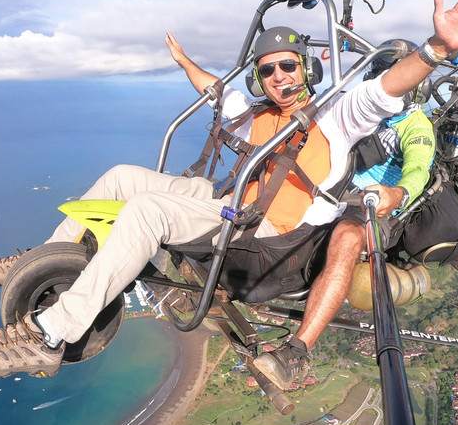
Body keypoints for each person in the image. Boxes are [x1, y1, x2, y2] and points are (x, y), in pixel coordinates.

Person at [0, 0, 458, 384]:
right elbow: (216, 90)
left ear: (306, 69)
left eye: (288, 65)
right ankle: (41, 260)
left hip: (266, 241)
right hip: (233, 202)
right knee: (122, 177)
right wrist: (182, 60)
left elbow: (384, 91)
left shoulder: (336, 117)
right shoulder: (257, 111)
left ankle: (51, 334)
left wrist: (437, 50)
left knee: (148, 214)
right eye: (268, 70)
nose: (279, 76)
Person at [166, 36, 437, 389]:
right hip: (332, 197)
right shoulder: (350, 109)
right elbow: (225, 96)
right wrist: (185, 62)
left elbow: (417, 169)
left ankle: (297, 351)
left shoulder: (415, 127)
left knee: (347, 235)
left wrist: (398, 192)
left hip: (376, 205)